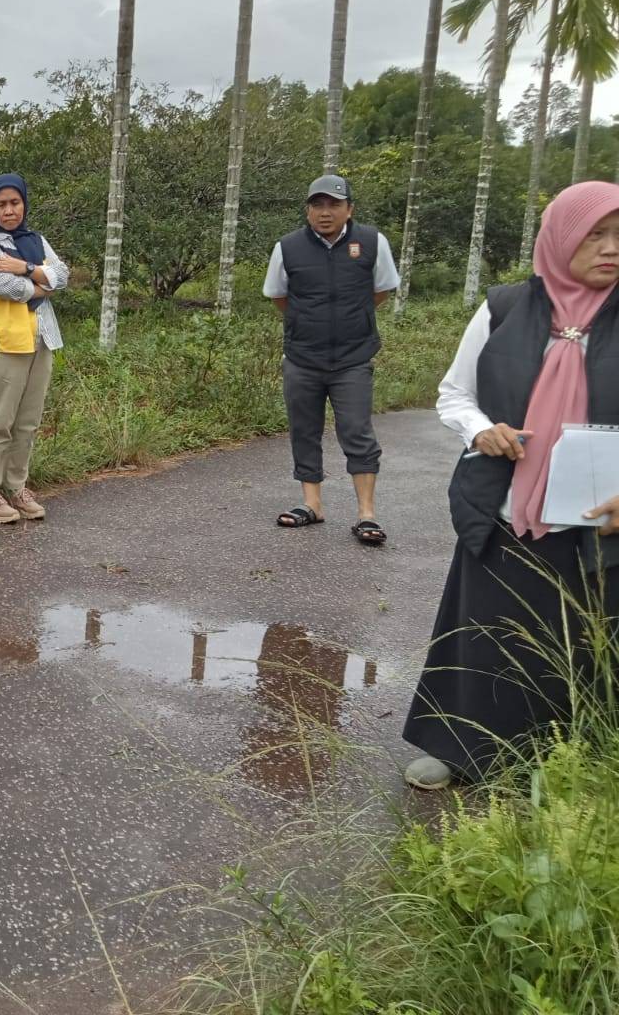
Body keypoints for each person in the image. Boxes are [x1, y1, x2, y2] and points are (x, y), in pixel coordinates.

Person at [403, 181, 619, 790]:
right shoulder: (504, 307)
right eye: (596, 234)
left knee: (583, 641)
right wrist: (481, 431)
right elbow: (454, 394)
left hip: (598, 522)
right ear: (560, 239)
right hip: (505, 512)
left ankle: (573, 763)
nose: (611, 249)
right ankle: (459, 749)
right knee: (485, 634)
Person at [265, 173, 399, 545]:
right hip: (302, 356)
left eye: (334, 205)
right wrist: (307, 323)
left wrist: (354, 318)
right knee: (304, 429)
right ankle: (312, 505)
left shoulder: (372, 242)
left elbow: (383, 288)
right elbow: (278, 296)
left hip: (353, 358)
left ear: (349, 209)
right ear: (308, 211)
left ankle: (366, 515)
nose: (325, 213)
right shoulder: (288, 247)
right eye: (317, 205)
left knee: (356, 431)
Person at [0, 172, 70, 523]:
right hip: (1, 342)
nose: (8, 211)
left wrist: (25, 266)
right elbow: (3, 286)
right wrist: (41, 283)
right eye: (1, 204)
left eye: (14, 203)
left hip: (40, 339)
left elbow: (64, 275)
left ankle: (16, 486)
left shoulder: (36, 241)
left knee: (27, 421)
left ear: (24, 204)